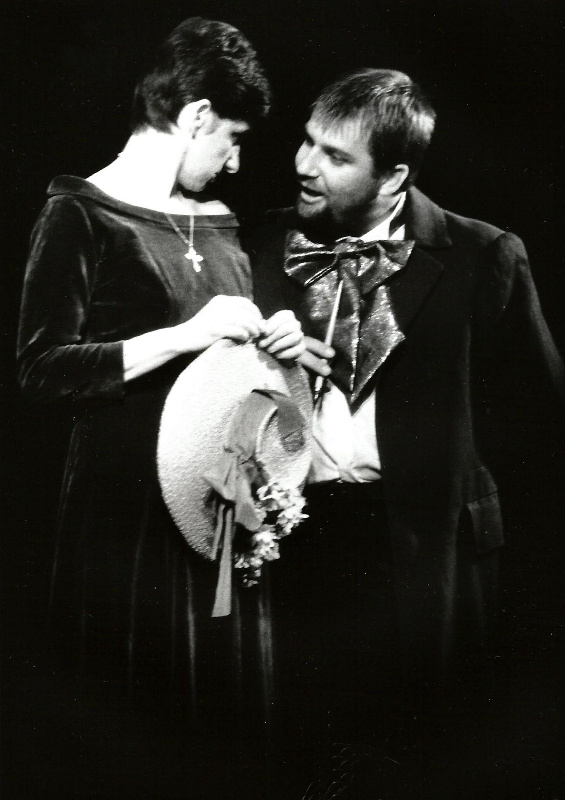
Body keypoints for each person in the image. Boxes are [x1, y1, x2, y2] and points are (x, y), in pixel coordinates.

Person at [247, 68, 565, 796]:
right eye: (307, 141)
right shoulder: (264, 241)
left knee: (414, 757)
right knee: (301, 754)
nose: (304, 164)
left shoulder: (484, 255)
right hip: (294, 542)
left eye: (336, 156)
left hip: (425, 553)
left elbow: (543, 422)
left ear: (394, 175)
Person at [16, 17, 304, 798]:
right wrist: (180, 336)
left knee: (222, 734)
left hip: (217, 507)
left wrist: (274, 339)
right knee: (139, 732)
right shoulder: (81, 212)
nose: (235, 161)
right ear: (197, 115)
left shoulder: (220, 223)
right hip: (127, 520)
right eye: (232, 139)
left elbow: (232, 359)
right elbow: (40, 370)